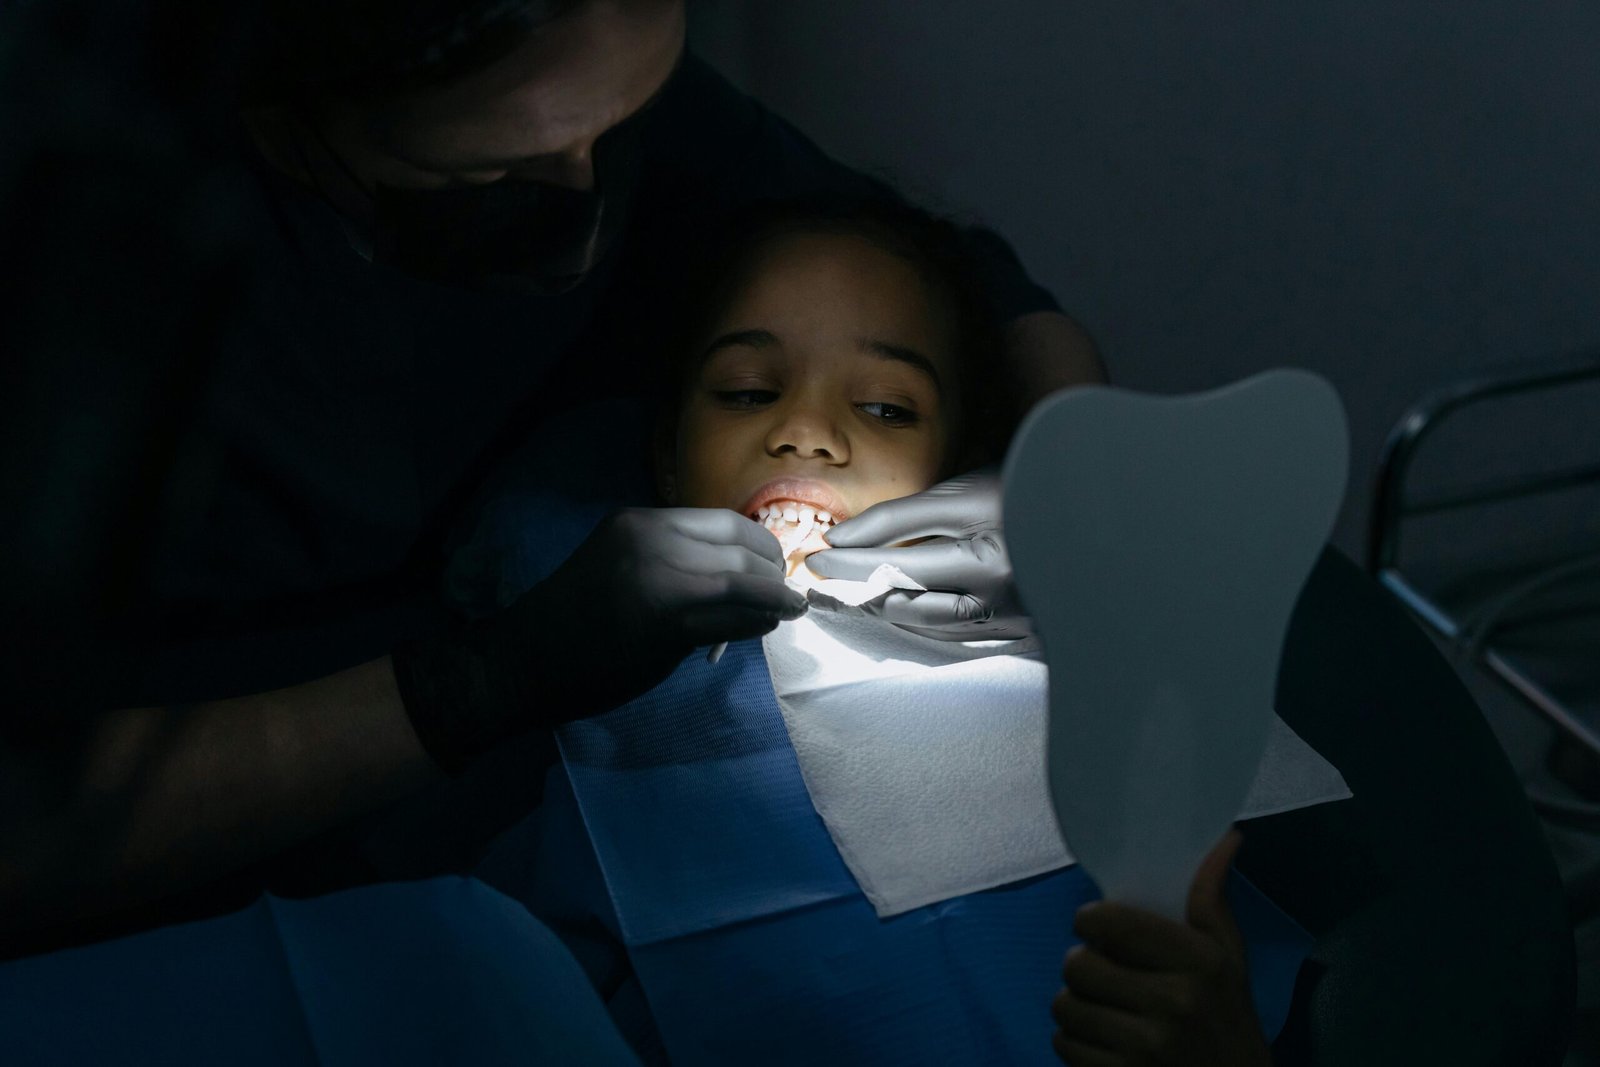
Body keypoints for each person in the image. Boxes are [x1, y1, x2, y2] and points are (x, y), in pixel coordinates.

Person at [0, 0, 1105, 956]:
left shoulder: (580, 77)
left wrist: (1045, 471)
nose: (587, 193)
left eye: (620, 125)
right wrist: (473, 683)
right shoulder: (94, 259)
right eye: (495, 169)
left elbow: (972, 284)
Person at [452, 196, 1278, 1064]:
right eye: (746, 392)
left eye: (887, 407)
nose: (805, 432)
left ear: (958, 469)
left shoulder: (1062, 657)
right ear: (664, 452)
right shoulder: (599, 663)